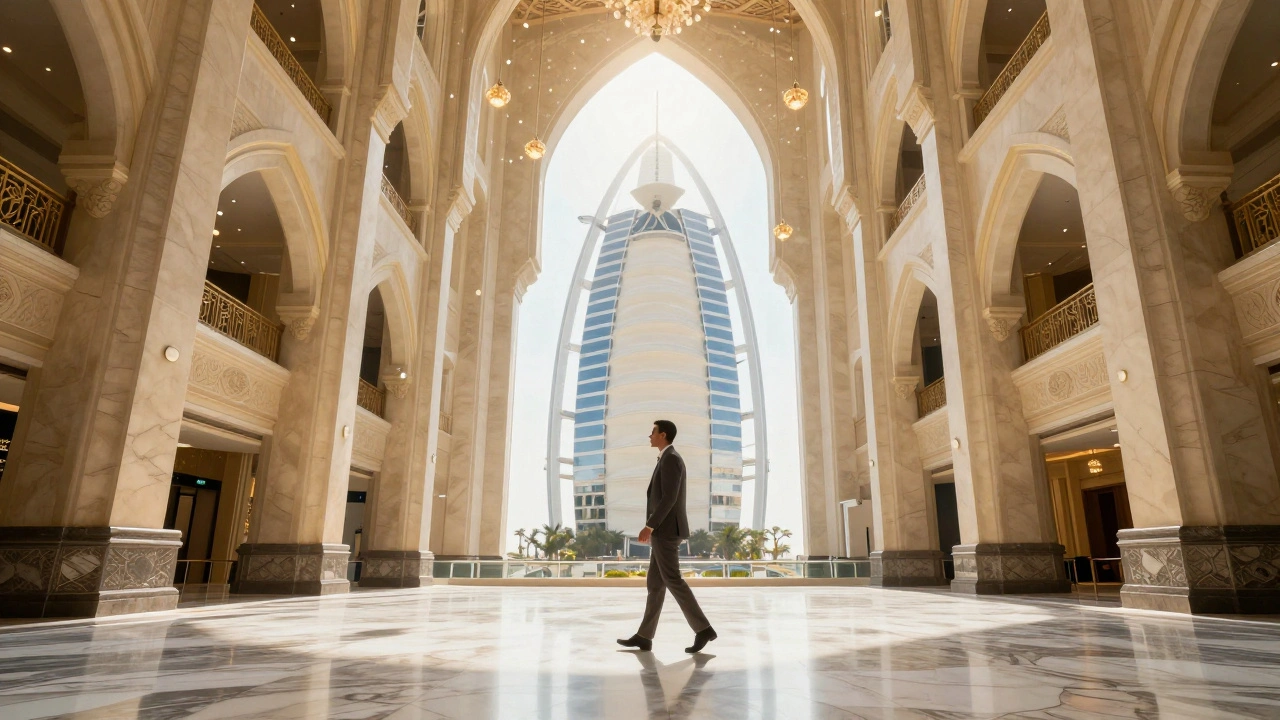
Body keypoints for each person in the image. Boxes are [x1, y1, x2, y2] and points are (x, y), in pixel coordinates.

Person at [617, 420, 717, 654]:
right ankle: (644, 636)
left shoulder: (672, 459)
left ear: (662, 435)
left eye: (652, 431)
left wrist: (649, 526)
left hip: (666, 531)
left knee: (672, 580)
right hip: (663, 531)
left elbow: (669, 498)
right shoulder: (666, 458)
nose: (649, 435)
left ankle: (703, 629)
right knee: (655, 584)